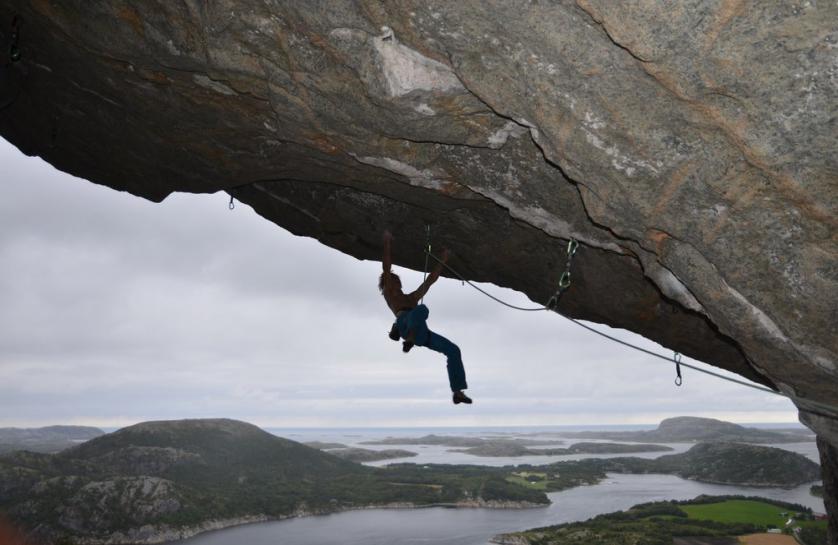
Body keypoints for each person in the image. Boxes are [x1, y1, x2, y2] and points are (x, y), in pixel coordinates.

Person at [380, 230, 472, 405]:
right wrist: (387, 242)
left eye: (397, 281)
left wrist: (444, 258)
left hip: (421, 334)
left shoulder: (412, 297)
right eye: (394, 280)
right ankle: (405, 334)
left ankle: (457, 392)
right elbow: (386, 267)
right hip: (405, 322)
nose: (397, 282)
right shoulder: (390, 293)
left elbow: (430, 280)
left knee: (453, 350)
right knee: (421, 310)